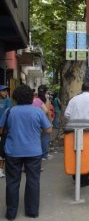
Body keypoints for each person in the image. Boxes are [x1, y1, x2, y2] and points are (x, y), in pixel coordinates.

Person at [0, 84, 52, 220]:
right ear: (31, 97)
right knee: (33, 181)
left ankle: (11, 213)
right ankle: (32, 211)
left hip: (13, 152)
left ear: (15, 98)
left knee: (12, 182)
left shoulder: (10, 111)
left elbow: (1, 130)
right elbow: (48, 130)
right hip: (34, 152)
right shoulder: (38, 112)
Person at [64, 82, 89, 187]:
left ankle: (75, 177)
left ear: (82, 88)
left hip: (73, 130)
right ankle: (85, 178)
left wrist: (75, 120)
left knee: (75, 152)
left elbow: (66, 114)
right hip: (88, 130)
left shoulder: (74, 99)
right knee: (87, 153)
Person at [33, 85, 54, 160]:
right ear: (46, 91)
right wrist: (50, 122)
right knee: (45, 137)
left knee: (37, 137)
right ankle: (44, 155)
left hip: (35, 121)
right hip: (44, 120)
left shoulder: (34, 99)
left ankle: (37, 154)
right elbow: (47, 111)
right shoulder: (46, 100)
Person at [0, 85, 12, 178]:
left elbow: (8, 114)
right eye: (3, 91)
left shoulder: (8, 101)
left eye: (6, 91)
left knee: (2, 149)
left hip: (3, 128)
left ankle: (1, 170)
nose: (5, 92)